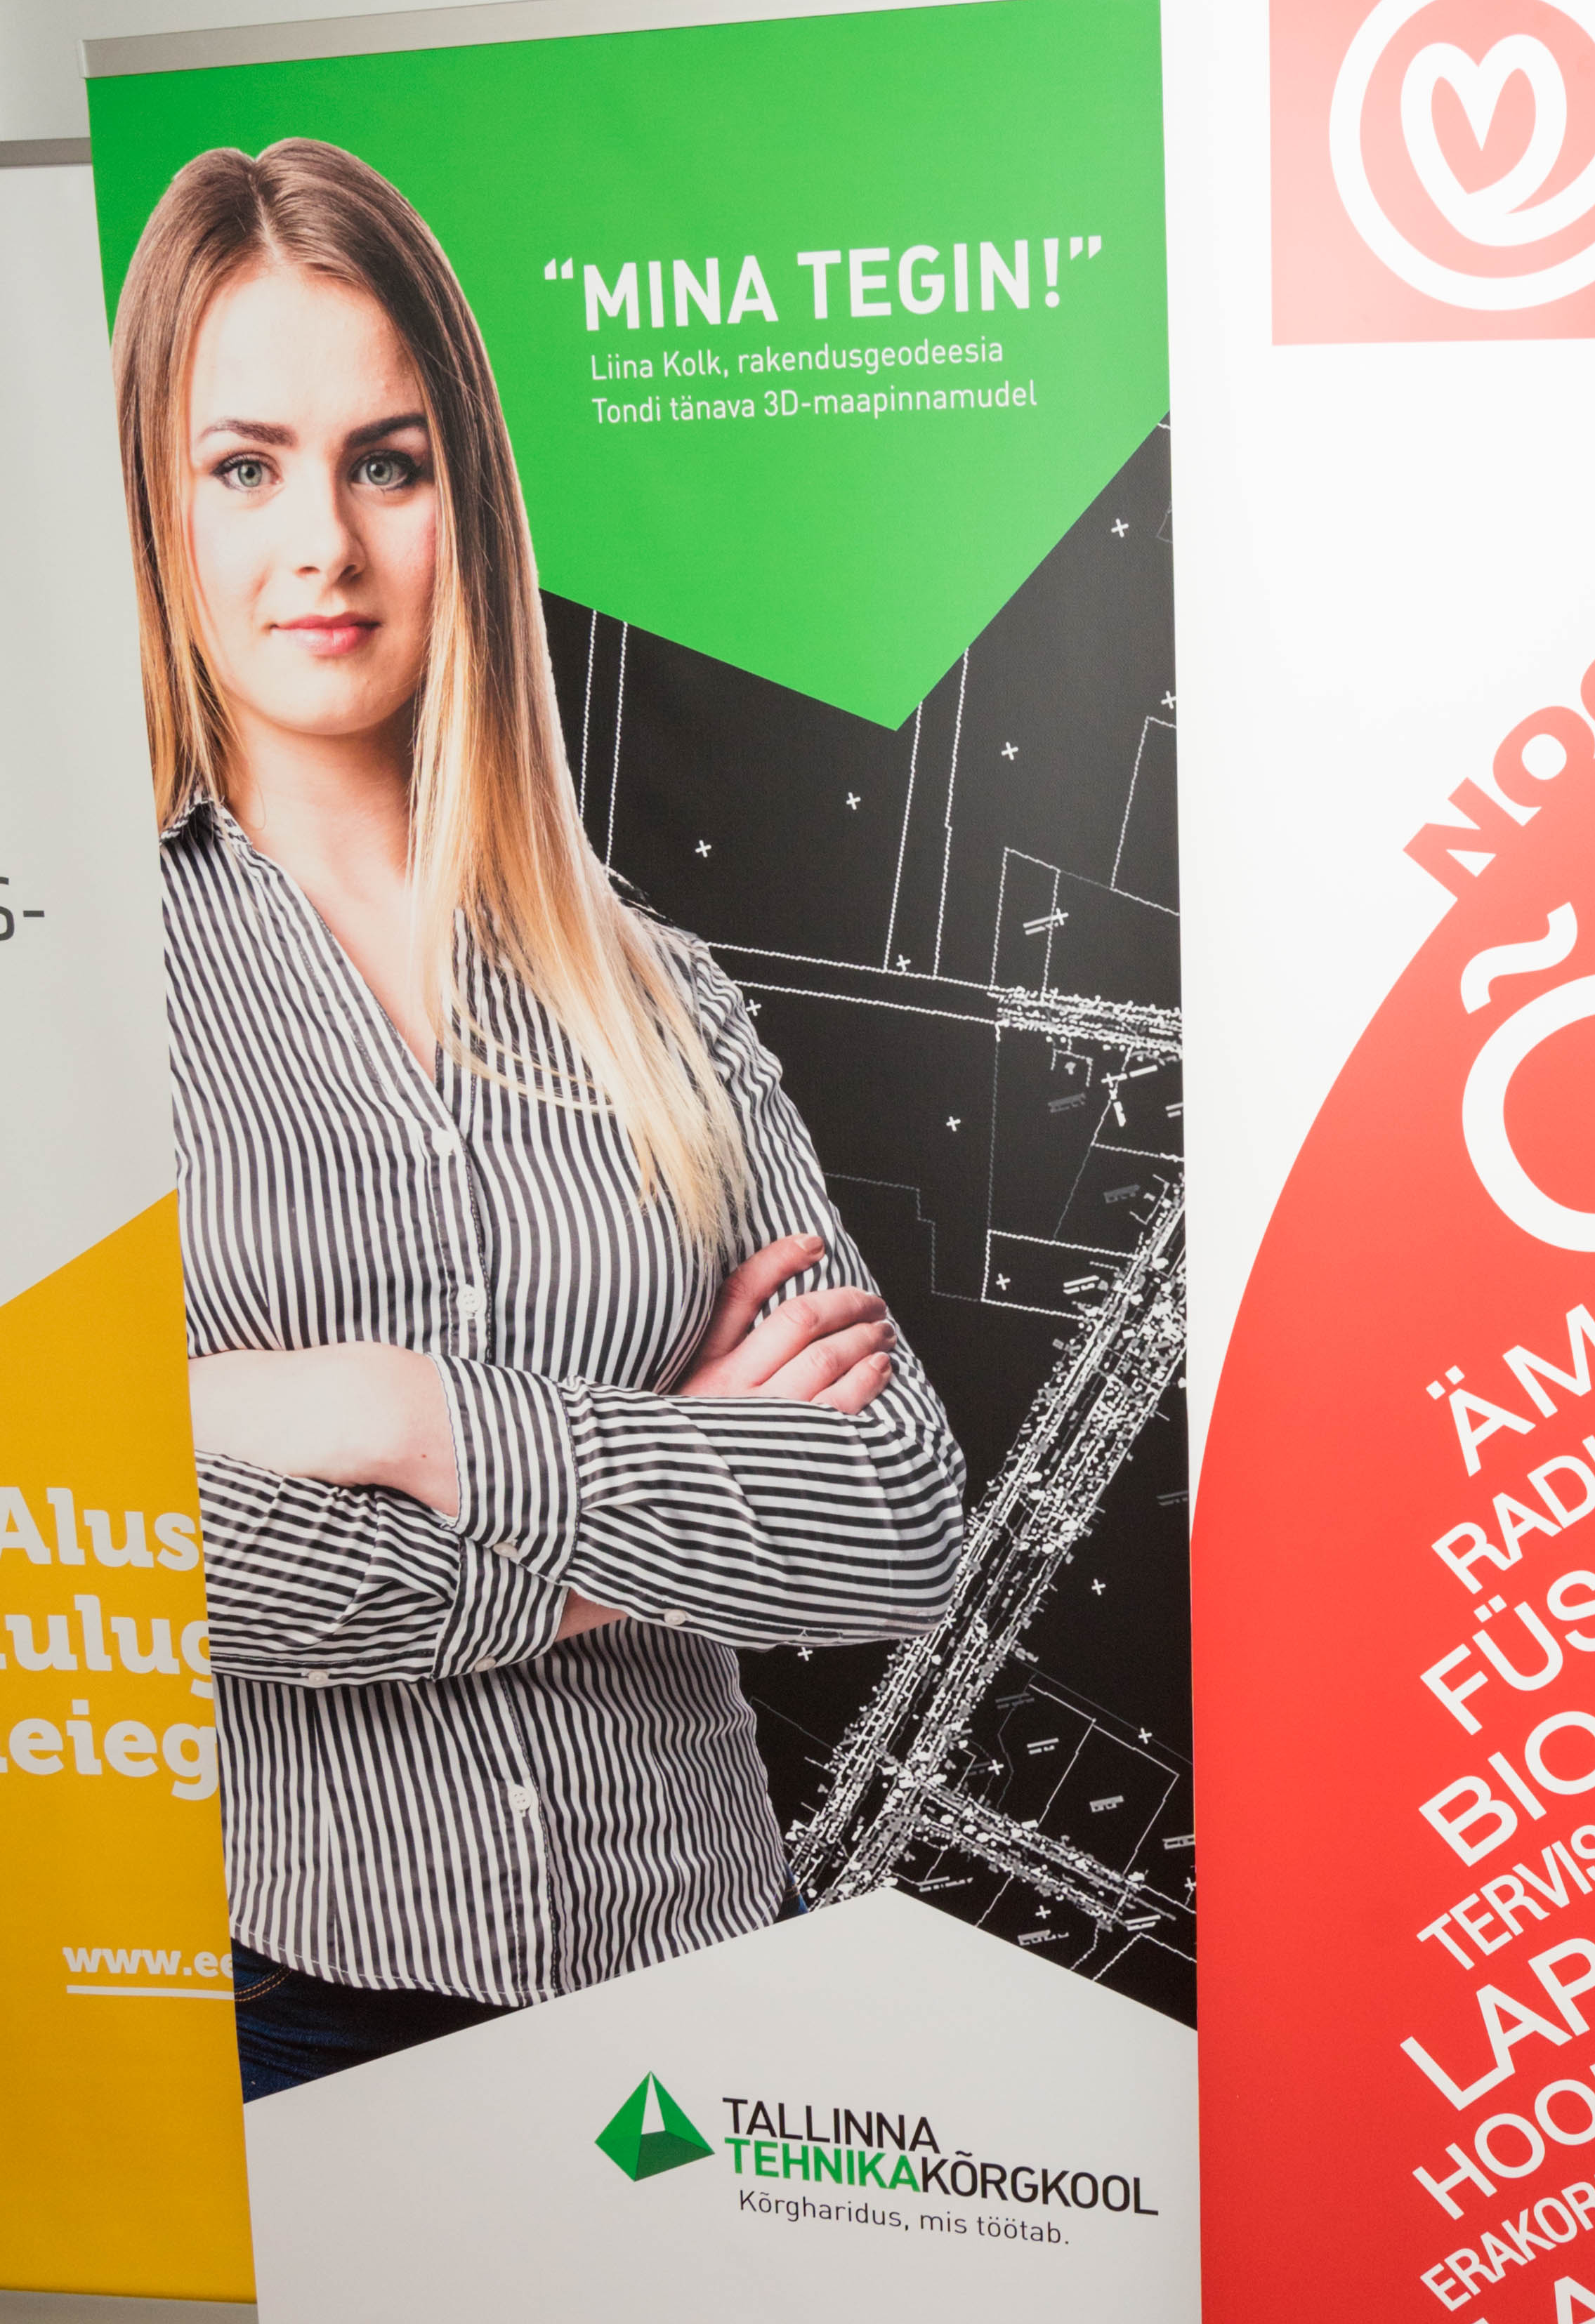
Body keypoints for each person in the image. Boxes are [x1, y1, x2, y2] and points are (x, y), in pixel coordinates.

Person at [112, 138, 966, 2101]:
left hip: (714, 1967)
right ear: (159, 505)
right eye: (244, 467)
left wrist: (396, 1418)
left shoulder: (647, 981)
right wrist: (637, 1523)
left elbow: (896, 1513)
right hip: (307, 2005)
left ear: (465, 503)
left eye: (385, 463)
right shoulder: (77, 992)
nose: (322, 545)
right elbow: (140, 1544)